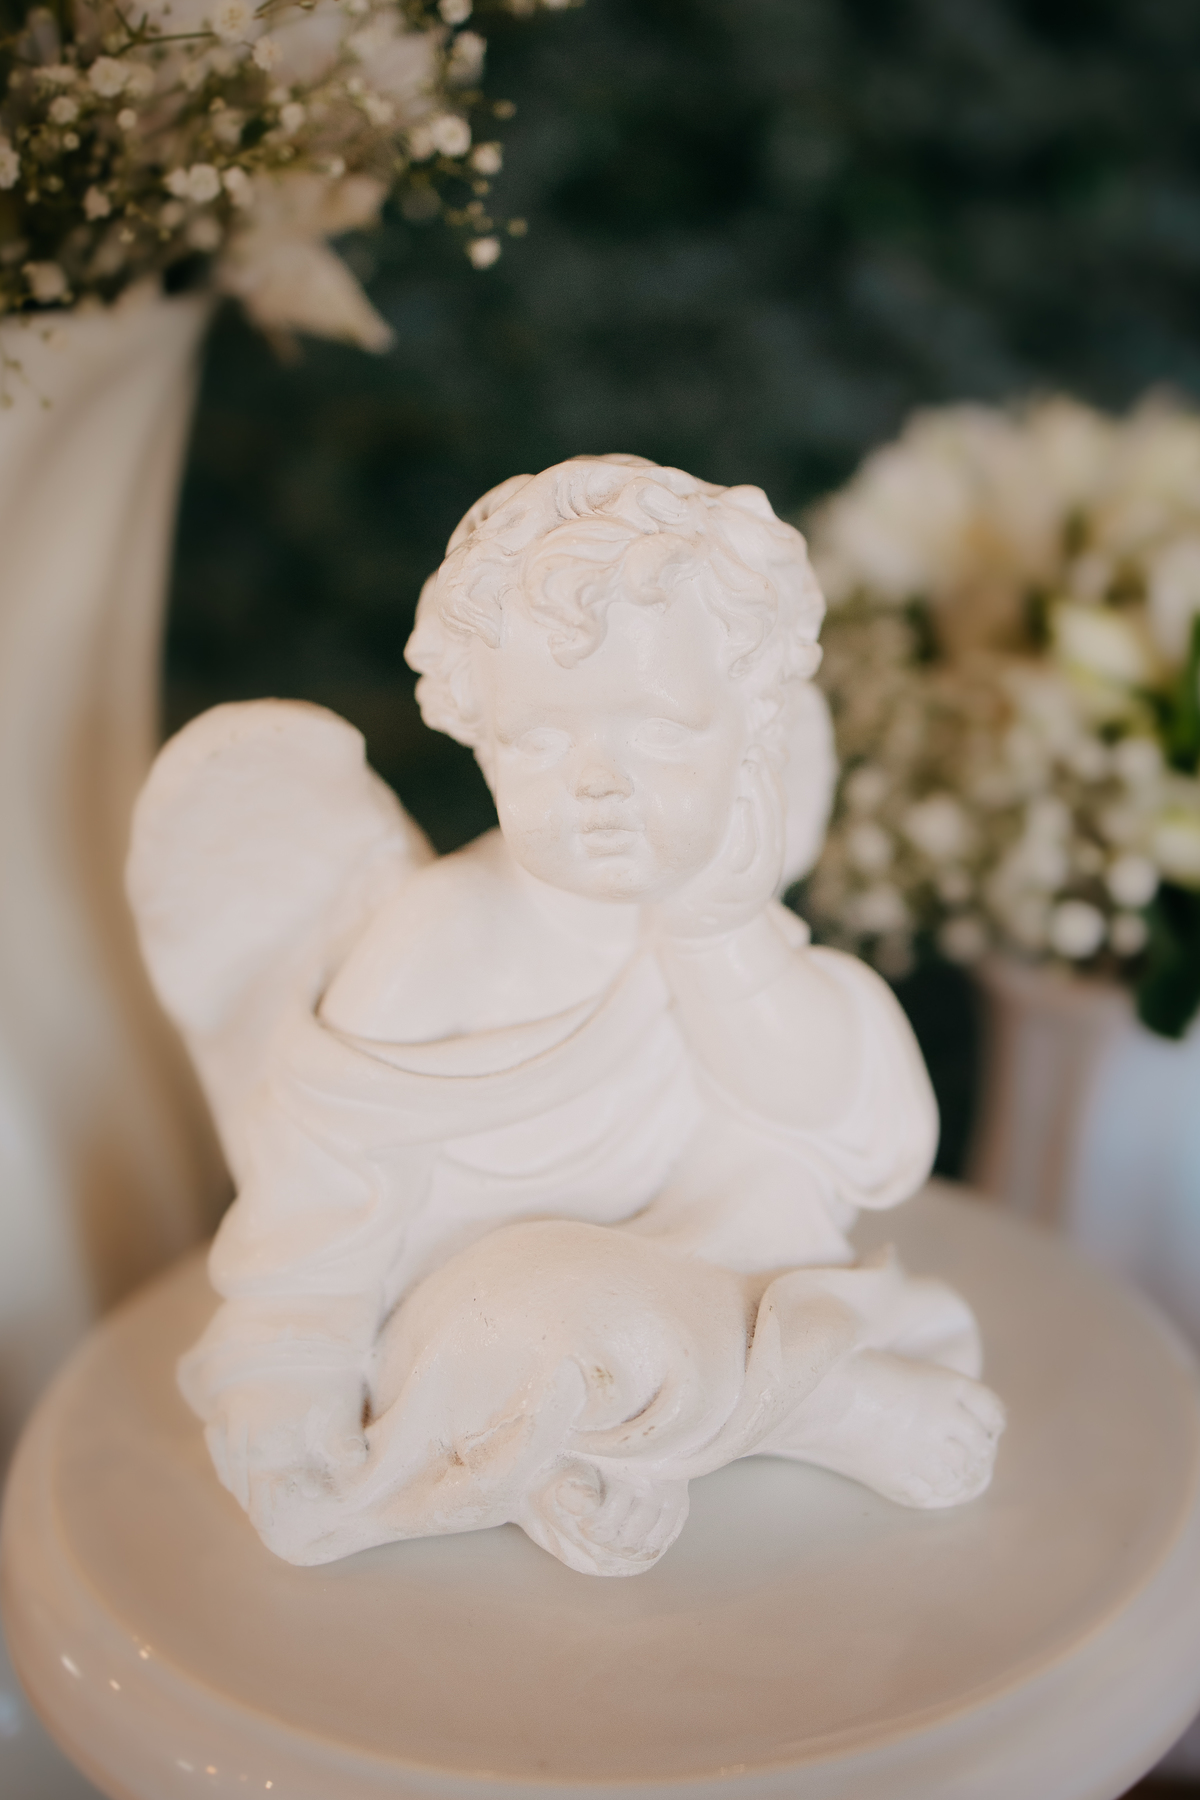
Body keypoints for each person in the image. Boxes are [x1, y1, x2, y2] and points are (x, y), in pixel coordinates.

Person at [129, 456, 1003, 1576]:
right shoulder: (441, 936)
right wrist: (287, 1376)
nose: (599, 782)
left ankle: (603, 1442)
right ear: (482, 738)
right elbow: (323, 1201)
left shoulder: (722, 903)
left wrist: (718, 938)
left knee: (770, 1192)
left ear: (753, 731)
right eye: (541, 741)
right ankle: (816, 1406)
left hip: (712, 1267)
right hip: (510, 1302)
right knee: (539, 1326)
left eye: (664, 731)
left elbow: (868, 1143)